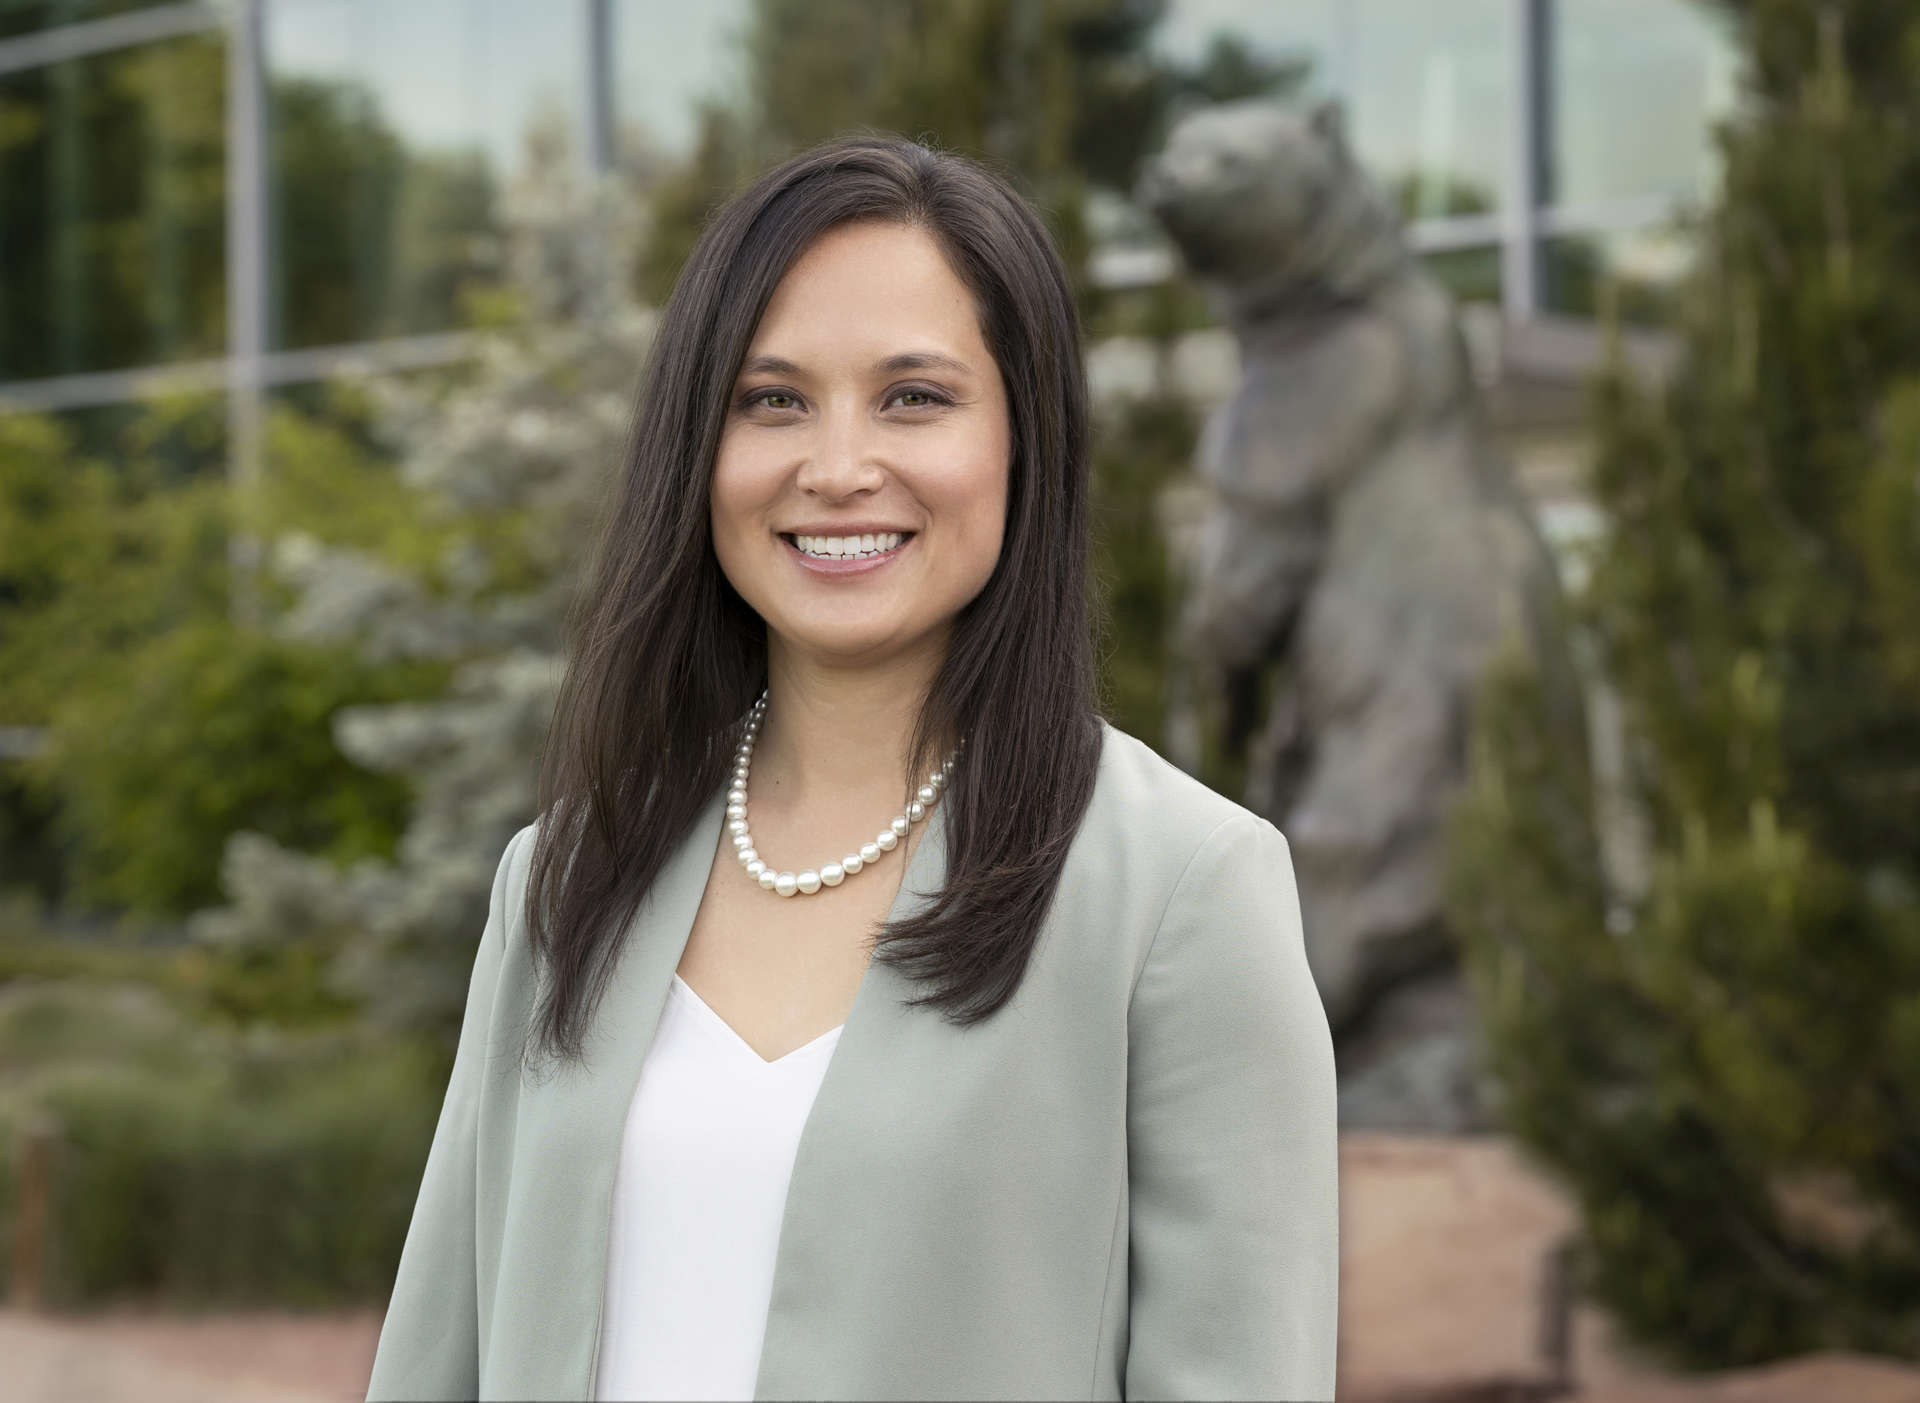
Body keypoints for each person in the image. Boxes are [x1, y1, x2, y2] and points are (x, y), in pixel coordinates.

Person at [364, 132, 1338, 1403]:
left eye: (914, 397)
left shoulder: (1181, 890)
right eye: (773, 399)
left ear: (1021, 440)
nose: (835, 468)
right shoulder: (563, 874)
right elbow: (437, 1355)